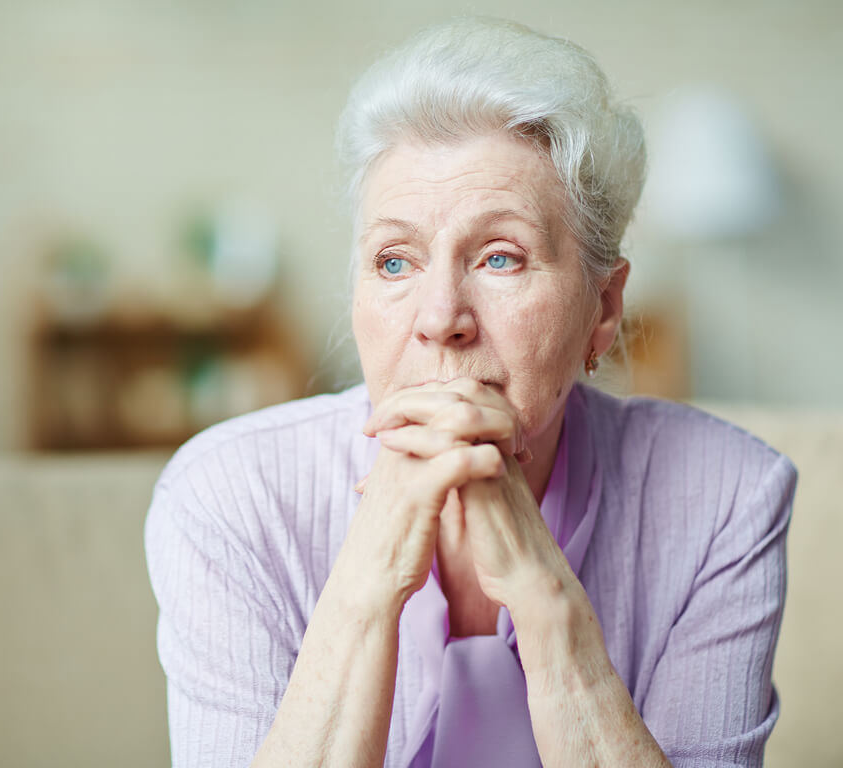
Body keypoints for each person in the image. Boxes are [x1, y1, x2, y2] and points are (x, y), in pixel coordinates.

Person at [145, 17, 796, 768]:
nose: (438, 319)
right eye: (395, 262)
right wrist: (368, 578)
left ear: (604, 310)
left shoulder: (728, 498)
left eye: (500, 257)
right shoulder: (228, 496)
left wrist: (545, 600)